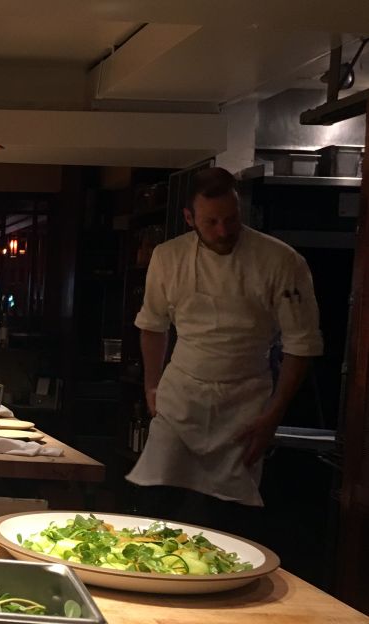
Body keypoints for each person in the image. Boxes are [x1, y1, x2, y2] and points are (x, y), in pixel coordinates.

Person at [127, 167, 323, 531]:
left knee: (231, 520)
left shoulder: (281, 261)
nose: (223, 230)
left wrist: (273, 415)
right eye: (212, 221)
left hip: (246, 402)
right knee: (155, 506)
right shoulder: (168, 258)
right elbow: (152, 325)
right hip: (181, 397)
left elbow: (302, 345)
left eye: (231, 220)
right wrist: (151, 386)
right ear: (190, 219)